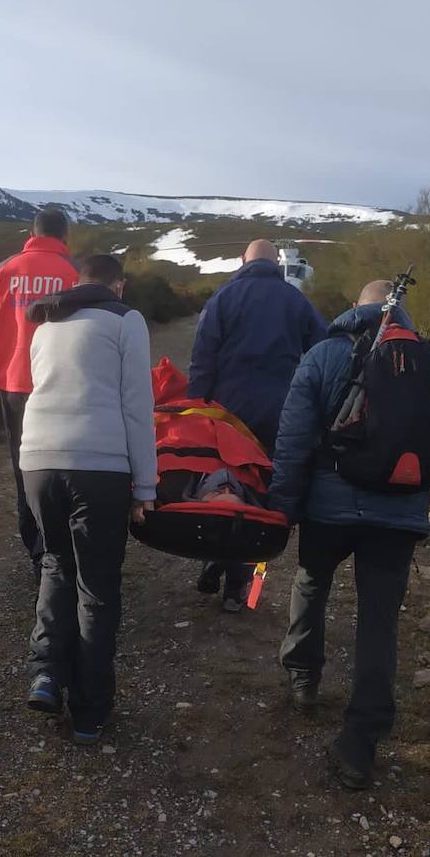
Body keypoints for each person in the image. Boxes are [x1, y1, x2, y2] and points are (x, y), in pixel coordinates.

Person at [270, 279, 430, 789]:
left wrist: (284, 508)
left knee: (312, 582)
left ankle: (302, 677)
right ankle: (361, 738)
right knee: (379, 619)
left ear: (353, 308)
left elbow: (293, 440)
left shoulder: (322, 356)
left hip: (327, 509)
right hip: (398, 514)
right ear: (402, 311)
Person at [19, 254, 156, 744]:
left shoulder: (46, 323)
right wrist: (146, 487)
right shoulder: (125, 318)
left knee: (57, 562)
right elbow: (137, 404)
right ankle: (89, 711)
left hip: (36, 461)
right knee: (97, 588)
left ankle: (47, 675)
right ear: (118, 284)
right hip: (97, 465)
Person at [187, 238, 328, 611]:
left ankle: (218, 557)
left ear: (242, 260)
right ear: (277, 264)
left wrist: (198, 407)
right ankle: (237, 585)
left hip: (228, 414)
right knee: (260, 496)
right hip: (279, 412)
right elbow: (322, 348)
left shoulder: (223, 298)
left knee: (226, 487)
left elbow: (202, 356)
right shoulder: (296, 301)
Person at [0, 208, 81, 579]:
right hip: (66, 386)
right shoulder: (74, 272)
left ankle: (38, 551)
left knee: (25, 469)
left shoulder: (5, 271)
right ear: (64, 236)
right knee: (67, 466)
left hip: (16, 388)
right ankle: (69, 545)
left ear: (31, 232)